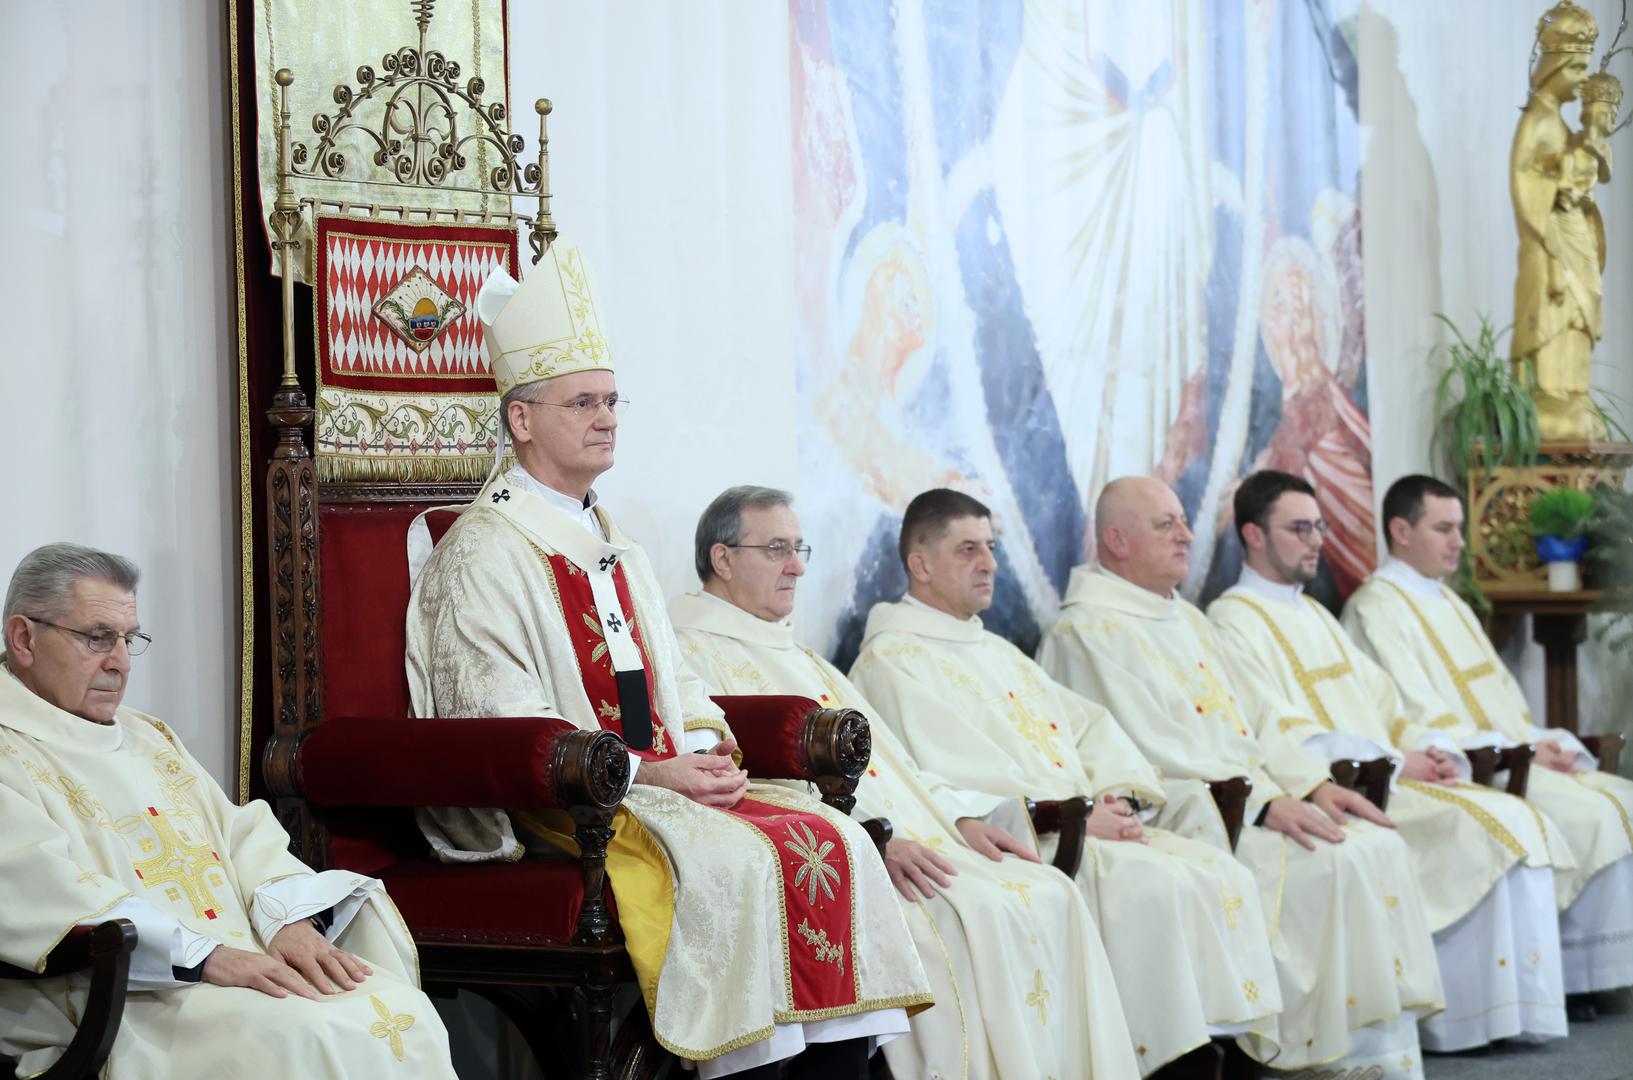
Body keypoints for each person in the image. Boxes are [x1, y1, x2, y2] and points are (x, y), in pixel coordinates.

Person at [404, 246, 929, 1079]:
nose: (607, 417)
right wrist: (655, 775)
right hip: (570, 807)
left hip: (653, 782)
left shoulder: (615, 547)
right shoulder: (482, 555)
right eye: (582, 402)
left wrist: (705, 748)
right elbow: (499, 719)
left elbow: (673, 678)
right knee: (740, 859)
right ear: (521, 420)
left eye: (612, 400)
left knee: (834, 838)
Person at [669, 485, 1140, 1079]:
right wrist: (870, 840)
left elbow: (899, 767)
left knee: (1052, 893)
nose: (798, 566)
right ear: (723, 558)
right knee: (978, 913)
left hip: (913, 839)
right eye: (778, 549)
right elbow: (743, 780)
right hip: (841, 857)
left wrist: (963, 817)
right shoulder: (685, 652)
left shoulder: (802, 655)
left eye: (800, 547)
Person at [839, 489, 1285, 1075]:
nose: (990, 563)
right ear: (920, 565)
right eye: (968, 549)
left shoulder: (996, 649)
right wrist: (1068, 814)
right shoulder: (894, 658)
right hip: (1035, 840)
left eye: (993, 548)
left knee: (1218, 870)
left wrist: (1113, 793)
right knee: (1157, 885)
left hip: (1081, 822)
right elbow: (950, 775)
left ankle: (1215, 1056)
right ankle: (1172, 1064)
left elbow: (1087, 727)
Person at [1039, 476, 1445, 1080]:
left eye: (1184, 518)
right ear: (1117, 541)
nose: (1186, 533)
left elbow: (1264, 717)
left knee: (1376, 843)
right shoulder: (1088, 631)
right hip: (1198, 812)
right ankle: (1310, 1059)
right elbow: (1149, 757)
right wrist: (1262, 804)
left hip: (1252, 795)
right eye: (1166, 524)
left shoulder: (1190, 621)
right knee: (1334, 858)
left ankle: (1369, 1058)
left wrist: (1310, 784)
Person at [0, 543, 456, 1078]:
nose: (119, 662)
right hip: (122, 995)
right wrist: (204, 957)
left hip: (235, 959)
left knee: (403, 1012)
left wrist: (287, 921)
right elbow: (38, 889)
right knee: (307, 1034)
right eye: (97, 637)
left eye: (129, 639)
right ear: (24, 638)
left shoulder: (148, 737)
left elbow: (239, 837)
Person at [1207, 471, 1570, 1050]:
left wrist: (1426, 749)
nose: (1316, 540)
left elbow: (1383, 698)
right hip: (1350, 785)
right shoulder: (1232, 619)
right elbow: (1281, 726)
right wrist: (1394, 762)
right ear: (1253, 534)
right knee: (1497, 827)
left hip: (1386, 773)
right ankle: (1463, 1024)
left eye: (1319, 527)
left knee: (1516, 821)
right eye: (1300, 528)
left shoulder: (1315, 614)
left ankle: (1506, 1014)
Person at [1342, 474, 1633, 1015]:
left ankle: (1602, 975)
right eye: (1444, 528)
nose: (1458, 542)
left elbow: (1502, 696)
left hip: (1511, 753)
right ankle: (1578, 979)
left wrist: (1544, 741)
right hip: (1471, 765)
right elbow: (1414, 712)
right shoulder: (1376, 607)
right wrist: (1513, 749)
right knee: (1592, 815)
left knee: (1620, 797)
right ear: (1400, 530)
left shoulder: (1448, 602)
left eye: (1460, 529)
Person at [1509, 0, 1604, 439]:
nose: (1584, 79)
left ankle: (1570, 390)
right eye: (1578, 68)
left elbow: (1574, 175)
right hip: (1546, 244)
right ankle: (1547, 392)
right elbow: (1524, 180)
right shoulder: (1536, 120)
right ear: (1555, 65)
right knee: (1552, 314)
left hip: (1569, 236)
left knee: (1577, 315)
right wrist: (1561, 185)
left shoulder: (1561, 123)